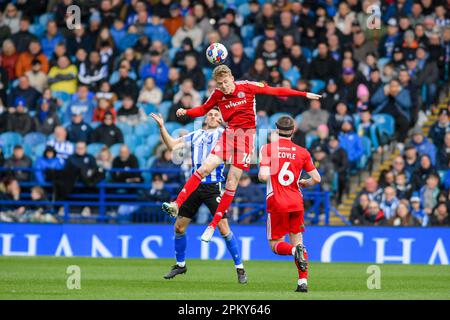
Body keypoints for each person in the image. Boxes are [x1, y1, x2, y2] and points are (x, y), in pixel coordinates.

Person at [161, 65, 320, 242]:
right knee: (204, 168)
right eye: (220, 84)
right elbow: (204, 109)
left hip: (246, 138)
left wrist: (304, 94)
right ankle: (177, 203)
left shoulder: (247, 86)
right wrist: (187, 112)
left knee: (232, 181)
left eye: (226, 82)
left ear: (232, 77)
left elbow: (275, 90)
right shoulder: (218, 94)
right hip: (229, 135)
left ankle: (213, 225)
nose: (224, 87)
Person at [150, 109, 248, 284]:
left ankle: (240, 268)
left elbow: (239, 140)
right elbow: (172, 146)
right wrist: (162, 127)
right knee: (179, 228)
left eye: (216, 115)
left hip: (213, 188)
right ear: (205, 118)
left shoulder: (224, 135)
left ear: (220, 120)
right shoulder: (195, 135)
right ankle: (180, 265)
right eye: (210, 114)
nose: (212, 117)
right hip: (194, 186)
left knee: (224, 229)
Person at [258, 115, 321, 293]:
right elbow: (317, 178)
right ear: (293, 131)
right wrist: (305, 182)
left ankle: (294, 252)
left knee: (275, 244)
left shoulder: (268, 149)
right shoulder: (302, 152)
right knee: (299, 241)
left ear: (277, 130)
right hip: (296, 201)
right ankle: (303, 282)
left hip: (277, 201)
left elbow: (263, 176)